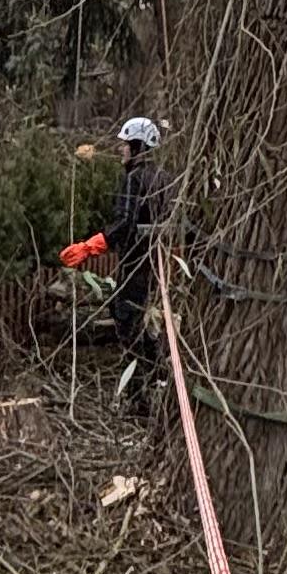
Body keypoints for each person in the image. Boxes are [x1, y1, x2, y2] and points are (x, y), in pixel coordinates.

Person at [58, 113, 172, 399]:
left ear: (138, 146)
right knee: (146, 321)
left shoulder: (134, 179)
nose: (121, 149)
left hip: (135, 262)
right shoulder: (163, 178)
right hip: (155, 263)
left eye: (125, 144)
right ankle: (157, 379)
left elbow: (125, 223)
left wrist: (90, 246)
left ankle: (140, 392)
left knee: (126, 316)